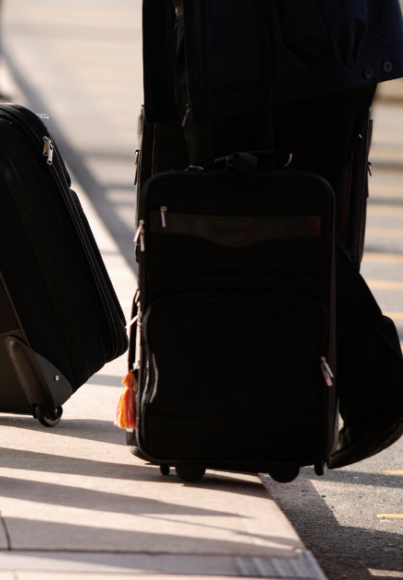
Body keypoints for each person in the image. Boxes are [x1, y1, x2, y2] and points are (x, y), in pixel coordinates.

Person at [141, 0, 403, 468]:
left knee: (253, 214)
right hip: (330, 35)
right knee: (293, 217)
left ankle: (374, 387)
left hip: (257, 44)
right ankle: (281, 411)